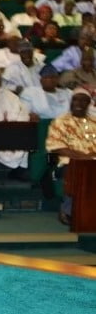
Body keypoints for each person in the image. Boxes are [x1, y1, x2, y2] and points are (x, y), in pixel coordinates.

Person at [45, 87, 96, 224]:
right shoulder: (60, 121)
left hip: (93, 163)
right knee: (77, 173)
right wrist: (84, 157)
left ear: (89, 104)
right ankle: (67, 210)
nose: (79, 103)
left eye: (83, 100)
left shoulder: (94, 122)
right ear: (71, 102)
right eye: (76, 100)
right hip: (68, 164)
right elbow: (57, 148)